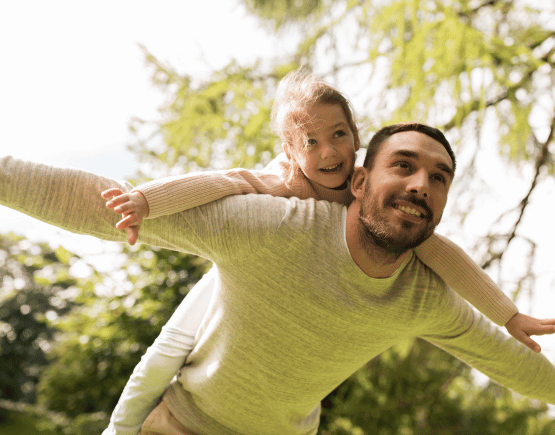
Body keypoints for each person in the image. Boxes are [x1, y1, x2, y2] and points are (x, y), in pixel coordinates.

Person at [2, 122, 555, 435]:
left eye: (439, 178)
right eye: (404, 165)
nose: (420, 185)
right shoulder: (270, 226)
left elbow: (513, 364)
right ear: (359, 181)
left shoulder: (423, 296)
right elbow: (101, 206)